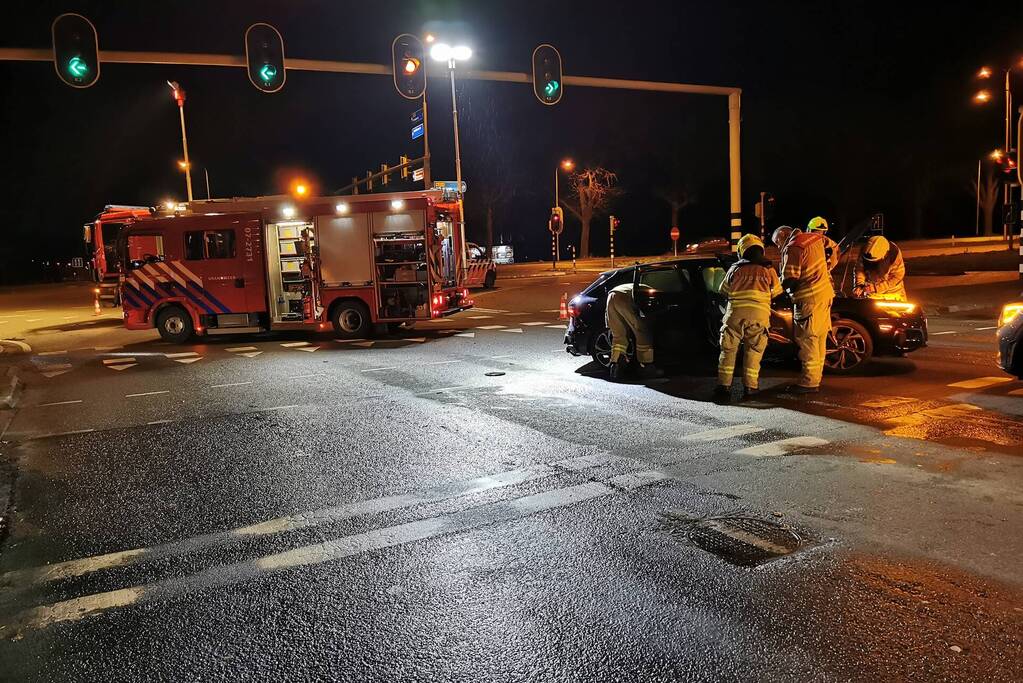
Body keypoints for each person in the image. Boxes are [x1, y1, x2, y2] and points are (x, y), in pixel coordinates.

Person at [714, 234, 783, 401]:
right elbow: (777, 291)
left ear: (741, 251)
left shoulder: (735, 269)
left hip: (735, 315)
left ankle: (724, 388)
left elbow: (722, 290)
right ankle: (751, 388)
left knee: (728, 351)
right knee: (754, 351)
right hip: (759, 316)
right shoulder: (769, 269)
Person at [773, 224, 834, 394]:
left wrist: (775, 291)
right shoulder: (813, 239)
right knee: (819, 339)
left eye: (778, 243)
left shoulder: (793, 247)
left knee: (807, 340)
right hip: (825, 295)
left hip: (808, 299)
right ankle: (815, 377)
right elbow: (834, 249)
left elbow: (790, 279)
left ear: (783, 236)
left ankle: (808, 383)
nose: (779, 247)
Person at [605, 282, 661, 381]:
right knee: (642, 331)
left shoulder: (639, 285)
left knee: (619, 336)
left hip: (612, 296)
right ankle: (646, 367)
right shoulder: (653, 291)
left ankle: (615, 369)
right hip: (625, 298)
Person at [854, 235, 907, 301]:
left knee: (898, 311)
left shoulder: (894, 253)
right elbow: (859, 270)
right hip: (872, 292)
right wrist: (859, 285)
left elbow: (897, 277)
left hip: (893, 292)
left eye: (874, 261)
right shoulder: (865, 250)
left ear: (884, 255)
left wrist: (876, 288)